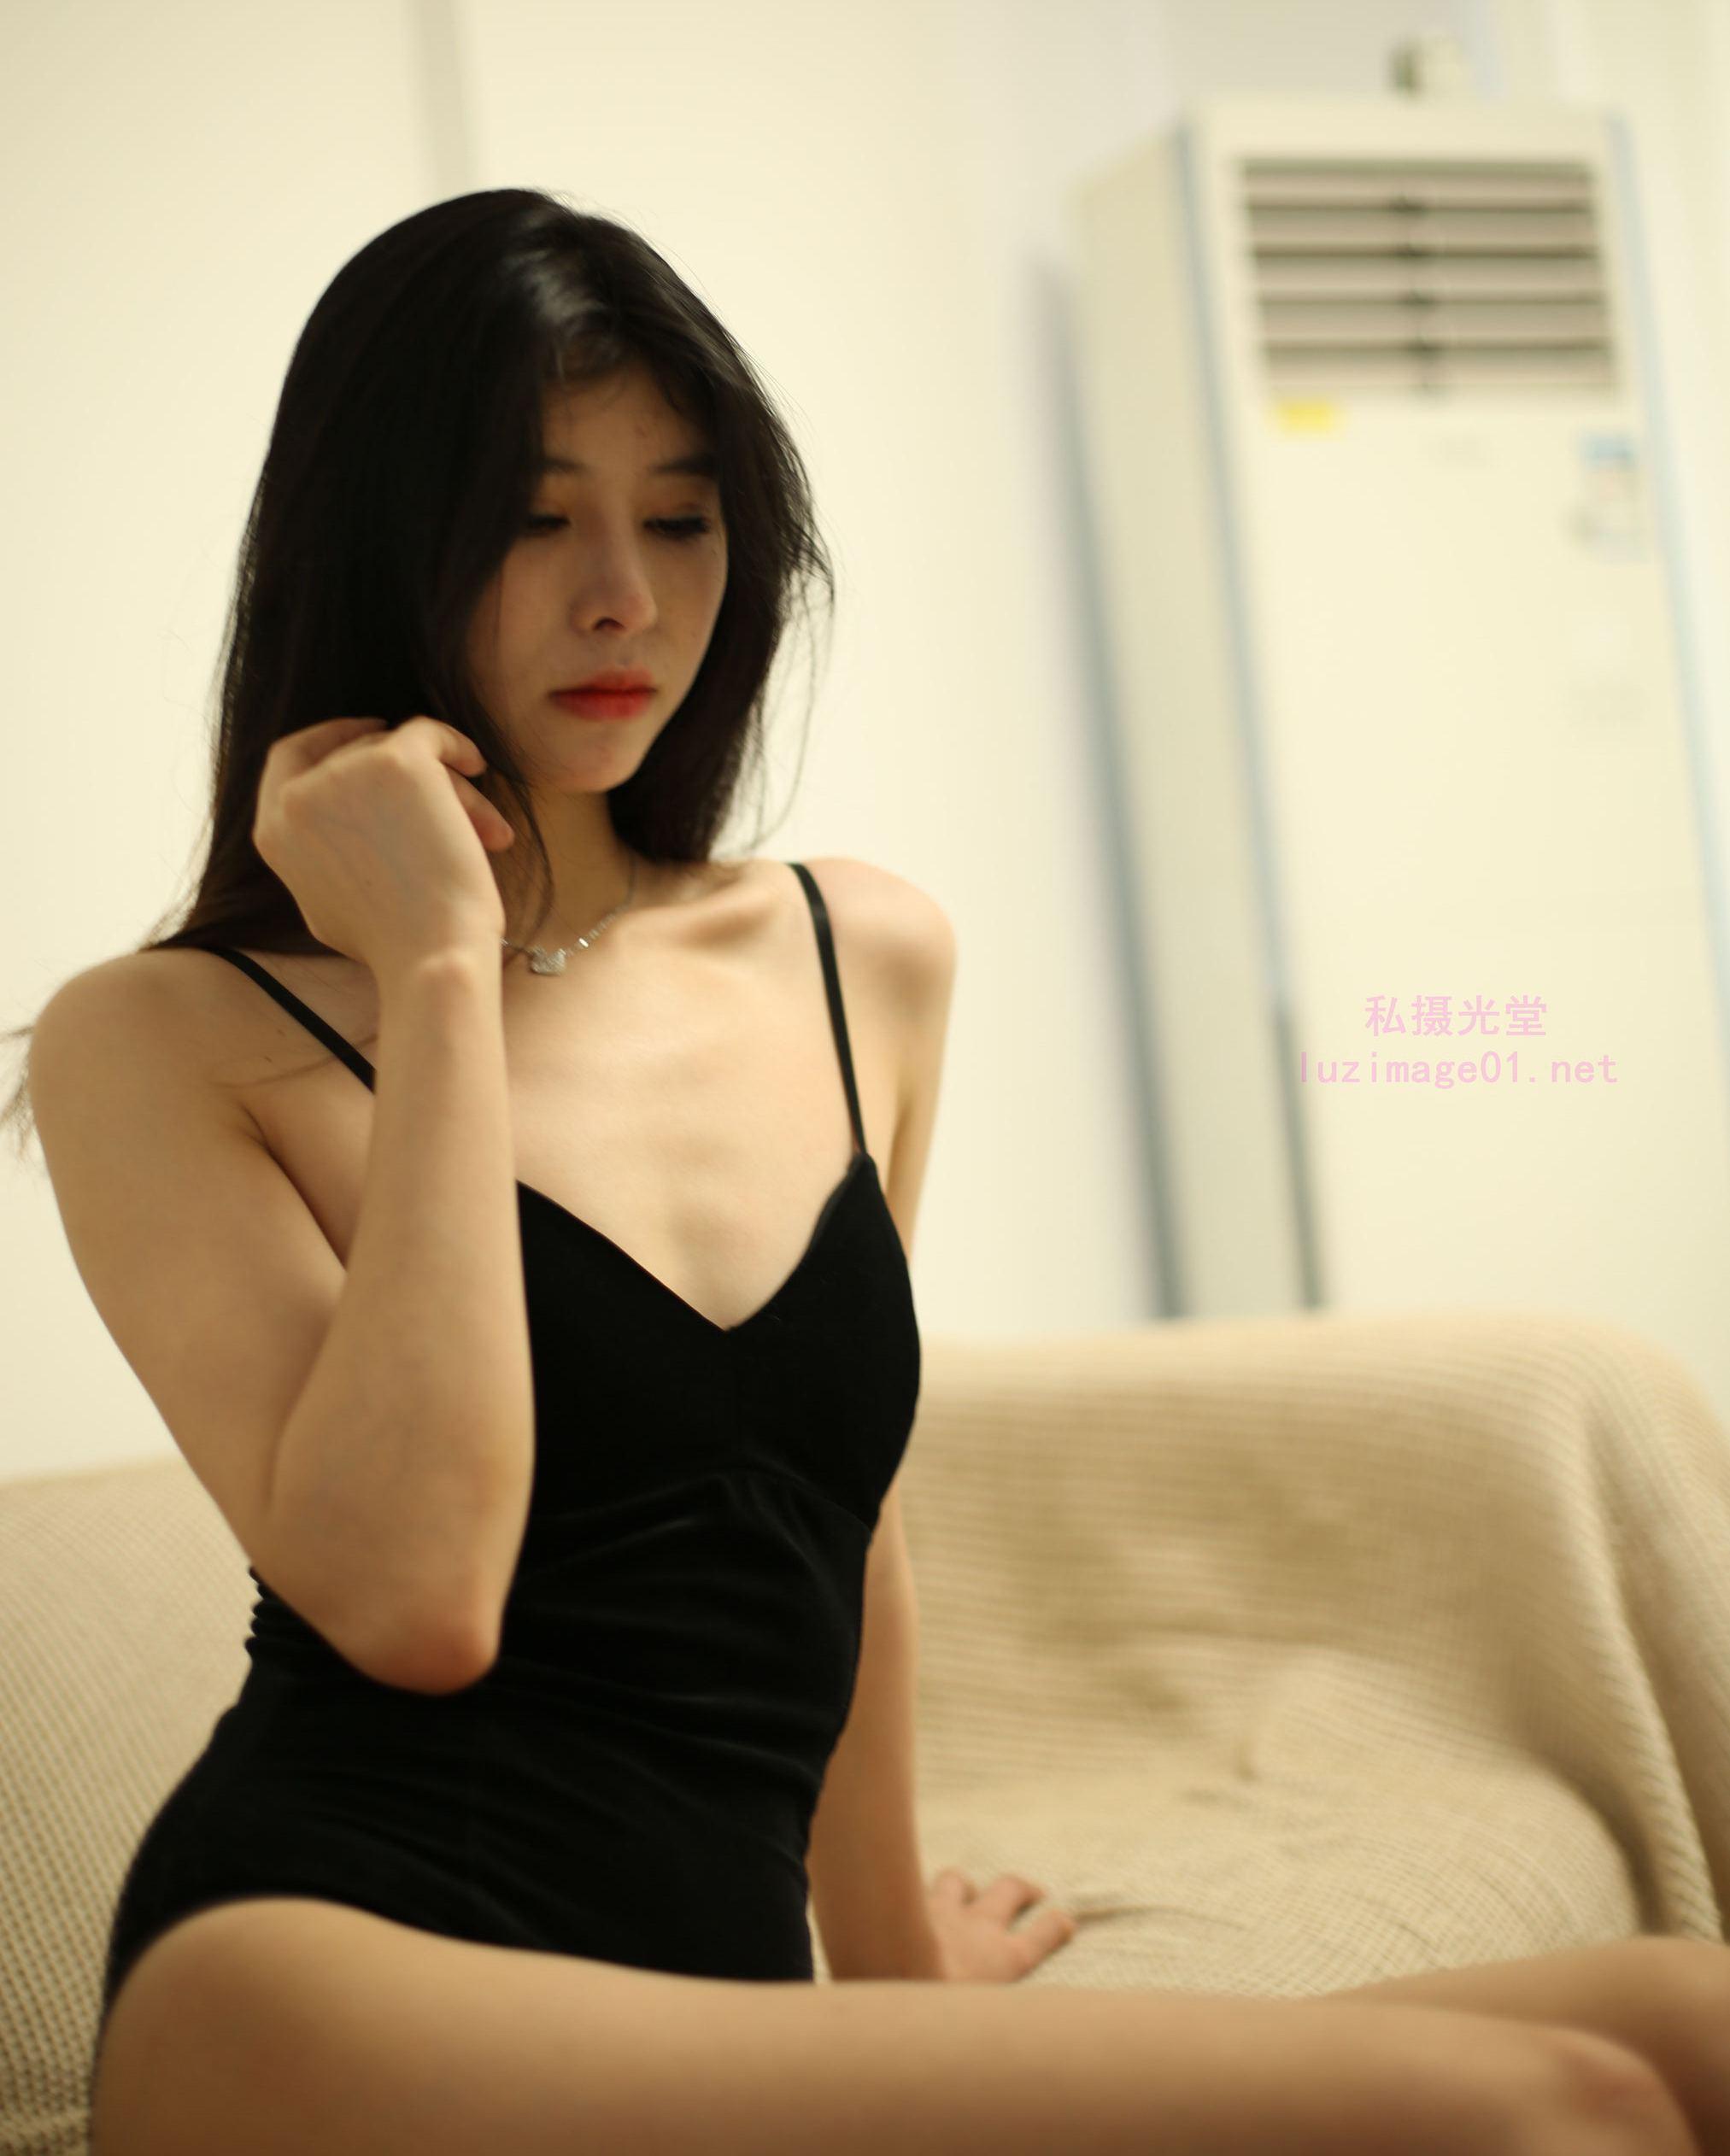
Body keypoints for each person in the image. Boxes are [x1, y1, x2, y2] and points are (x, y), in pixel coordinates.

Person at [19, 191, 1709, 2155]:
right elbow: (414, 1598)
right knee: (1543, 2111)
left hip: (708, 2003)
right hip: (328, 1980)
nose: (623, 598)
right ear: (383, 542)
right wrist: (439, 974)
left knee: (1686, 2022)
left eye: (680, 519)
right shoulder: (164, 1041)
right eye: (535, 517)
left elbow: (837, 1514)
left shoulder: (857, 957)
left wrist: (892, 1954)